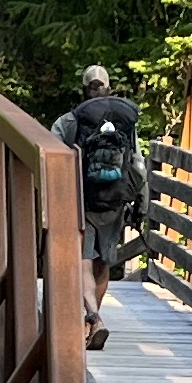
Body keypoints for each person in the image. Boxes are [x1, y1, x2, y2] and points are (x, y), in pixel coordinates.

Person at [51, 63, 143, 347]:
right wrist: (141, 201)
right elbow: (138, 164)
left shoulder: (72, 119)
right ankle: (94, 321)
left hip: (82, 200)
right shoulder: (125, 121)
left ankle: (93, 318)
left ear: (84, 88)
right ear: (109, 87)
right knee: (104, 263)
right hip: (115, 200)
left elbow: (50, 151)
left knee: (83, 262)